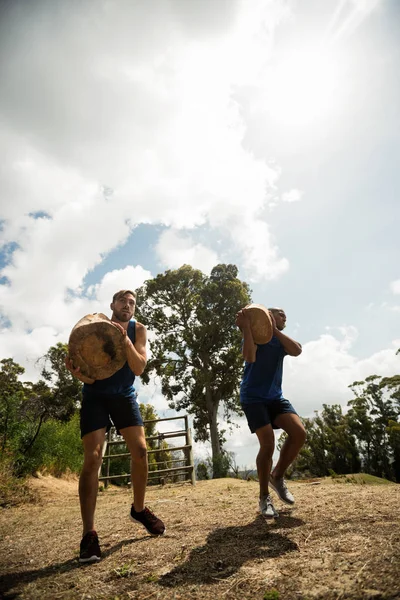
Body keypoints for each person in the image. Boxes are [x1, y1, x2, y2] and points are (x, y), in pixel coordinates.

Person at [66, 289, 165, 563]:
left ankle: (139, 509)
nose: (127, 305)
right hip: (95, 397)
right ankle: (89, 535)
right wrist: (78, 374)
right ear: (112, 304)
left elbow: (139, 367)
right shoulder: (94, 325)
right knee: (93, 458)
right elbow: (89, 375)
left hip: (123, 396)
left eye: (132, 302)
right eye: (122, 300)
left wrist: (125, 341)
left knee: (141, 451)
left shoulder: (138, 330)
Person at [235, 306, 306, 519]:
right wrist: (247, 327)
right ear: (267, 316)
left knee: (299, 433)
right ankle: (264, 496)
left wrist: (275, 330)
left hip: (275, 397)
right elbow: (249, 357)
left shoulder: (279, 340)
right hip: (253, 398)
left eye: (286, 313)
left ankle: (278, 477)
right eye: (280, 312)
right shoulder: (256, 337)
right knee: (267, 443)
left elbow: (297, 350)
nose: (285, 315)